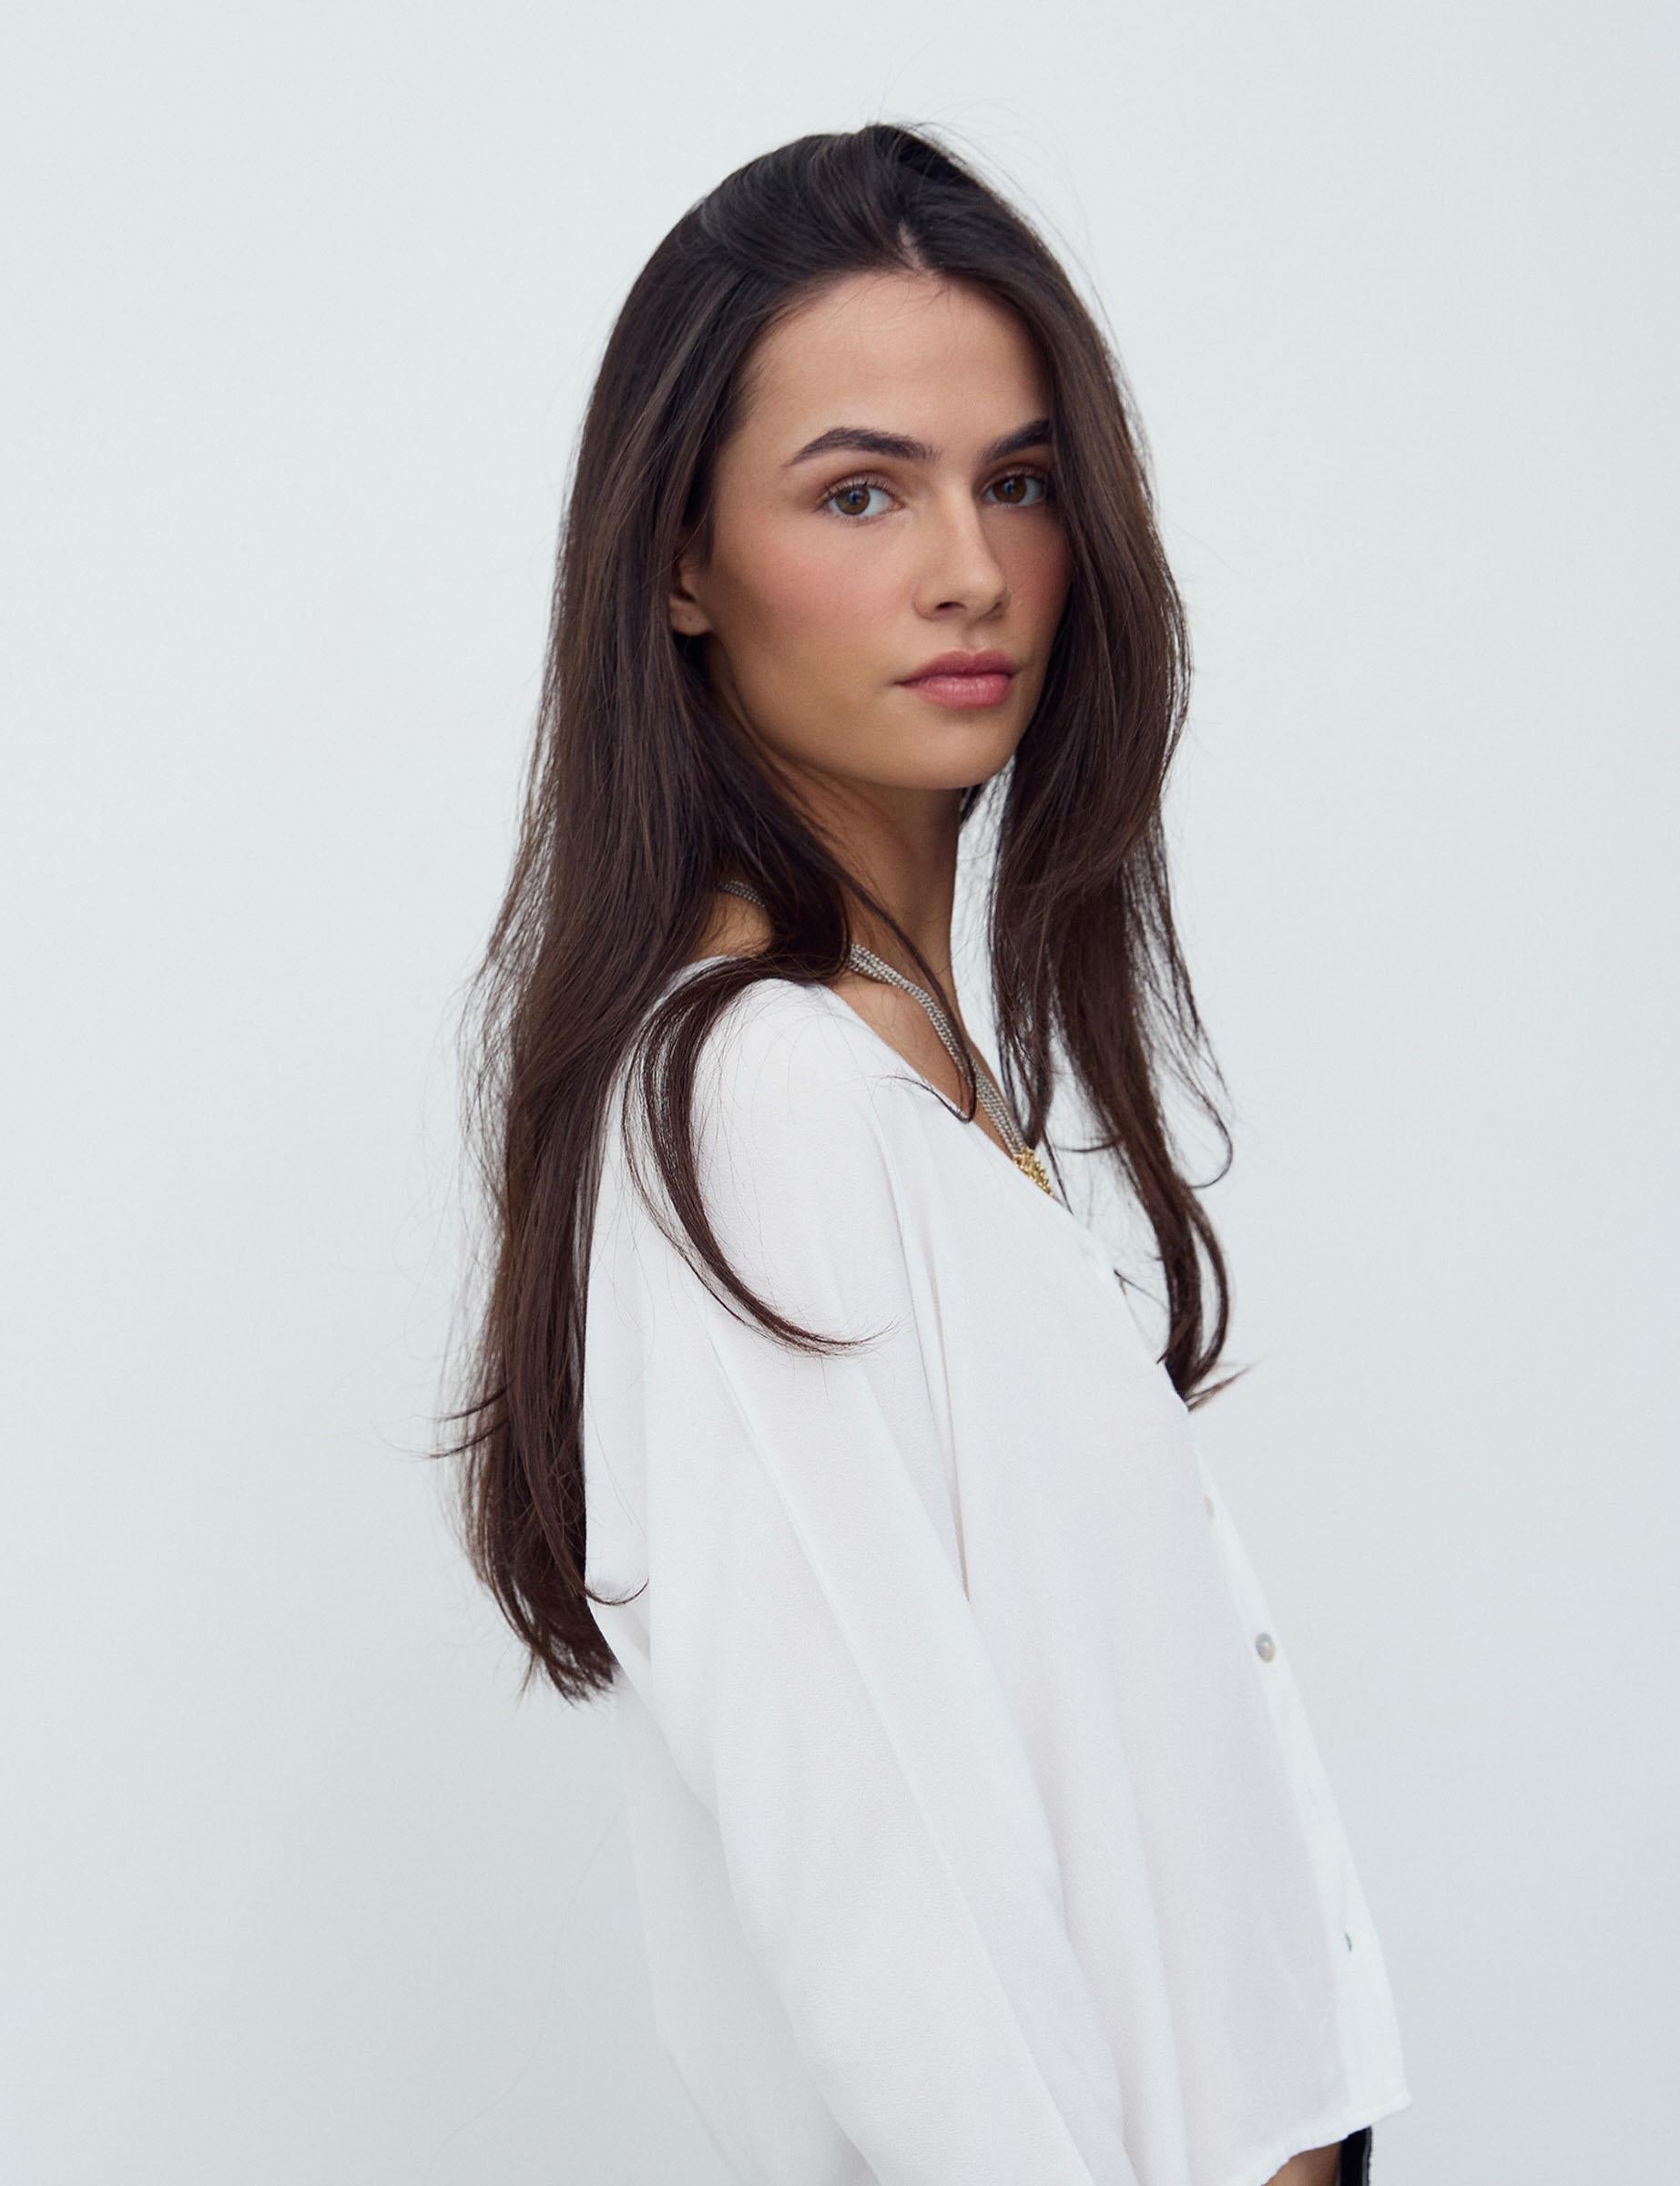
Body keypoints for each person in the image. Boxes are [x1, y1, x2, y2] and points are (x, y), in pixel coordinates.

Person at [442, 122, 1411, 2186]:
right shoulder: (763, 1105)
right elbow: (892, 1904)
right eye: (860, 491)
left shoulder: (904, 1074)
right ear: (681, 564)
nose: (970, 569)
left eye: (1021, 482)